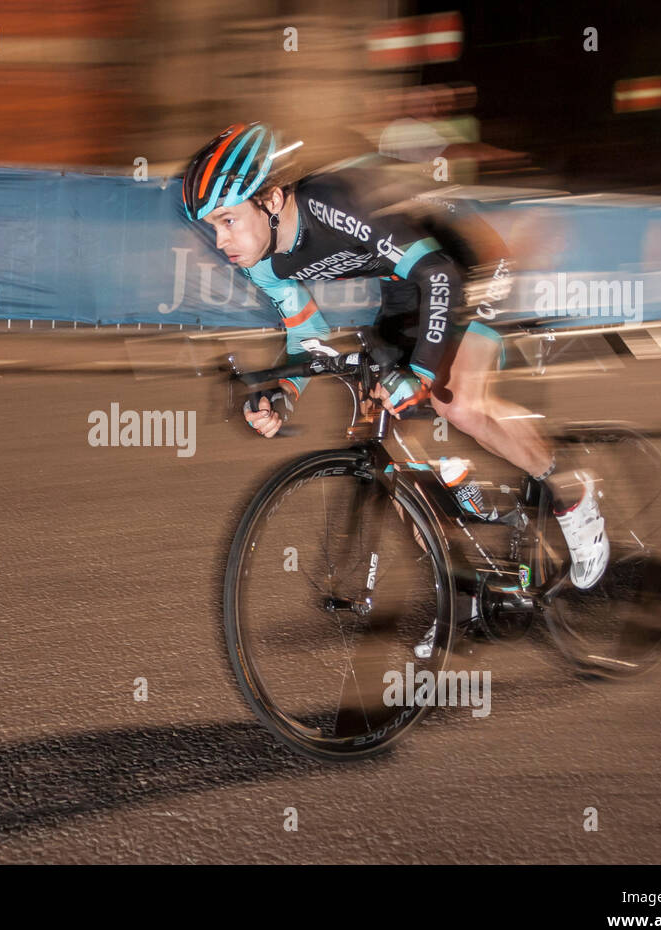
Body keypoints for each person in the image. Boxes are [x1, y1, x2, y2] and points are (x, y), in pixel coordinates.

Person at [180, 122, 609, 591]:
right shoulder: (260, 260)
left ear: (272, 200)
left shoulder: (332, 204)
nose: (221, 243)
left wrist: (422, 372)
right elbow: (307, 333)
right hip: (405, 284)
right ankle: (458, 575)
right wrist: (283, 392)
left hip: (464, 264)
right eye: (212, 227)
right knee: (376, 425)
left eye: (227, 220)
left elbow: (439, 273)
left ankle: (569, 491)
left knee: (455, 401)